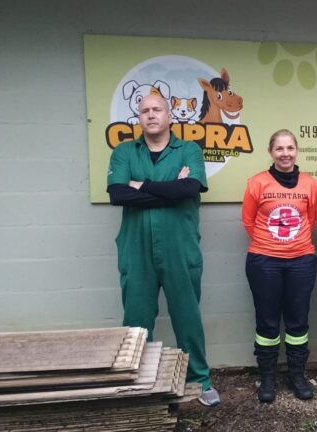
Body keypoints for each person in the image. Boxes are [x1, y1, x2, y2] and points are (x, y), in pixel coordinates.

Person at [106, 93, 219, 407]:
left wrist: (140, 185)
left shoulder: (189, 150)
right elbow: (117, 194)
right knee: (137, 317)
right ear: (138, 118)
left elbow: (190, 188)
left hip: (179, 246)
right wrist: (170, 190)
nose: (151, 114)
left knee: (187, 315)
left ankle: (199, 380)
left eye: (157, 109)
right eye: (144, 110)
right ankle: (141, 381)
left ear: (170, 116)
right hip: (136, 246)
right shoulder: (125, 151)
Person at [241, 129, 317, 403]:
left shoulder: (309, 183)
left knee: (298, 322)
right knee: (267, 322)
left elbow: (312, 218)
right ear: (271, 152)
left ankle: (296, 375)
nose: (285, 154)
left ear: (296, 150)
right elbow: (248, 221)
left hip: (301, 261)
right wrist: (271, 245)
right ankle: (268, 377)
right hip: (264, 262)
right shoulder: (257, 183)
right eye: (279, 149)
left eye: (289, 148)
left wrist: (292, 246)